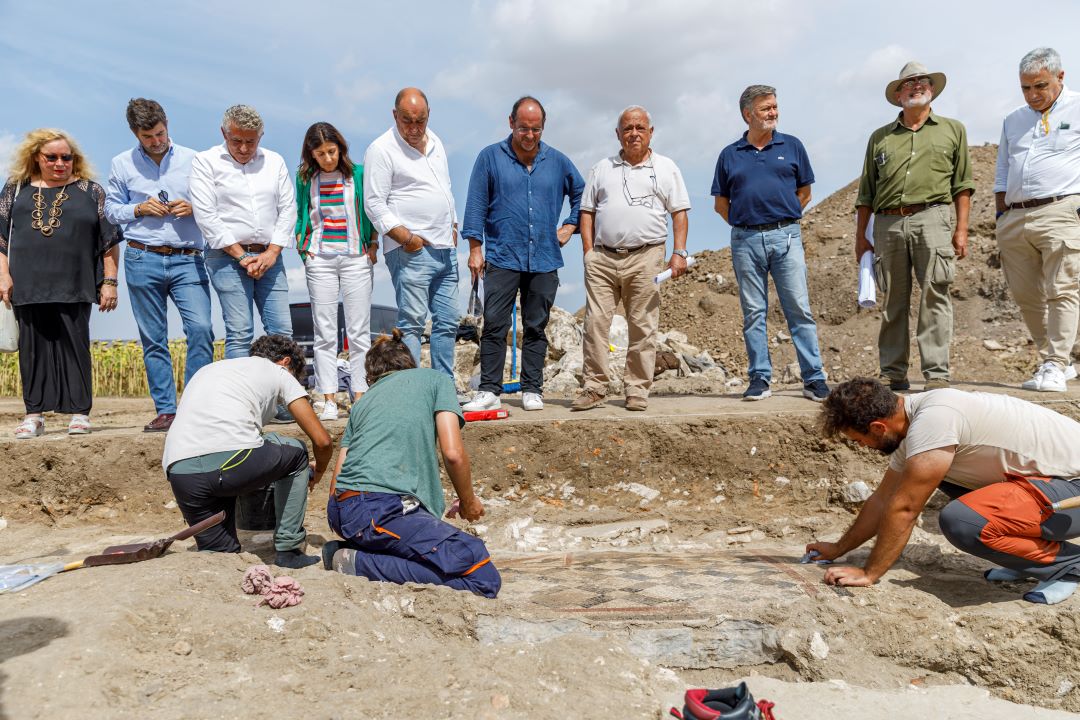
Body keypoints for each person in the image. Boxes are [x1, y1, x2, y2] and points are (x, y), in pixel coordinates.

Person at [810, 377, 1080, 605]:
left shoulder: (934, 421)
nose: (861, 447)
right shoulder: (912, 421)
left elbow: (905, 508)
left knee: (963, 520)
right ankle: (1028, 559)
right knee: (941, 478)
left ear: (878, 427)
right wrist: (837, 548)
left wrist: (869, 573)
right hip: (1051, 484)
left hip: (1073, 490)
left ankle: (1070, 566)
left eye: (860, 440)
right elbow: (883, 499)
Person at [322, 330, 501, 598]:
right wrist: (468, 501)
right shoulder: (435, 380)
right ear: (410, 364)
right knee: (480, 574)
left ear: (371, 378)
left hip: (344, 510)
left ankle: (360, 551)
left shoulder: (362, 403)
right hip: (379, 508)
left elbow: (338, 476)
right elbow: (453, 453)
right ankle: (356, 563)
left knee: (429, 553)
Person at [162, 335, 333, 569]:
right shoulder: (279, 372)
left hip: (181, 473)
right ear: (285, 362)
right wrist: (320, 471)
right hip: (230, 464)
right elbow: (322, 442)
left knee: (224, 558)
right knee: (296, 452)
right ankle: (289, 550)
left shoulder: (211, 369)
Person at [854, 62, 975, 392]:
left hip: (933, 217)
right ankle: (893, 373)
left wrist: (961, 230)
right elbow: (866, 193)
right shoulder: (880, 138)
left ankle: (936, 374)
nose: (916, 86)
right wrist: (860, 239)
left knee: (935, 294)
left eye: (922, 81)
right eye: (908, 83)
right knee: (893, 299)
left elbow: (962, 185)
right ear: (897, 94)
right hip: (888, 223)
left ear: (932, 90)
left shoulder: (953, 130)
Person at [461, 96, 584, 413]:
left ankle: (532, 388)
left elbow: (583, 194)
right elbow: (475, 203)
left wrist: (570, 225)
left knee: (536, 325)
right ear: (511, 123)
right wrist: (475, 248)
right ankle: (489, 390)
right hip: (502, 255)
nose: (529, 135)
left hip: (544, 257)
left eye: (536, 129)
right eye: (523, 128)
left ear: (544, 127)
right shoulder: (489, 158)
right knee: (494, 325)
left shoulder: (558, 162)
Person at [711, 85, 830, 403]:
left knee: (799, 309)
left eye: (775, 107)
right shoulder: (729, 154)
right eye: (766, 108)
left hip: (787, 237)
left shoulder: (792, 146)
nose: (773, 113)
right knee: (753, 312)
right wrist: (746, 225)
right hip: (745, 240)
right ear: (748, 114)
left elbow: (805, 192)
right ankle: (760, 379)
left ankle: (814, 378)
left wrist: (783, 217)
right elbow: (721, 203)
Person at [0, 129, 120, 438]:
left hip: (75, 282)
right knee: (32, 349)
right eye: (51, 157)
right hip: (27, 283)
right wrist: (3, 274)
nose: (59, 163)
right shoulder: (16, 188)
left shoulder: (91, 191)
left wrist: (110, 281)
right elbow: (1, 239)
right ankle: (34, 415)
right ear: (36, 158)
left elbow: (109, 241)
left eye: (66, 157)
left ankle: (79, 414)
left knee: (74, 346)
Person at [572, 106, 690, 412]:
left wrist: (679, 252)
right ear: (618, 134)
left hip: (646, 256)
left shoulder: (666, 168)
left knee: (642, 325)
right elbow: (587, 212)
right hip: (603, 259)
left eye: (640, 127)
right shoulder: (601, 168)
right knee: (595, 323)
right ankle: (595, 387)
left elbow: (679, 213)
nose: (633, 133)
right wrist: (588, 253)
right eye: (627, 128)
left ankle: (637, 389)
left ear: (651, 132)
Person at [105, 98, 213, 433]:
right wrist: (138, 210)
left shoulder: (195, 160)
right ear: (135, 133)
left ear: (167, 124)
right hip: (142, 257)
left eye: (160, 133)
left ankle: (194, 407)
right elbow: (110, 209)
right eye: (148, 136)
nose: (157, 141)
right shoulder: (121, 164)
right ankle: (166, 410)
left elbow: (215, 203)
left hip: (188, 258)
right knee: (154, 338)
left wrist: (194, 208)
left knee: (201, 329)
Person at [995, 48, 1080, 393]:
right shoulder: (1013, 120)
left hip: (1060, 209)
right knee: (1026, 296)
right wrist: (1001, 215)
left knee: (1062, 289)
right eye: (1026, 88)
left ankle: (1057, 364)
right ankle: (1054, 361)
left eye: (1040, 86)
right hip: (1014, 218)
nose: (1033, 95)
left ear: (1060, 77)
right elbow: (1002, 170)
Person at [363, 88, 459, 379]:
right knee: (413, 322)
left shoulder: (437, 142)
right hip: (411, 250)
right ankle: (412, 388)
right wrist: (407, 238)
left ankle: (444, 386)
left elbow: (445, 187)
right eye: (407, 121)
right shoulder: (381, 149)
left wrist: (453, 225)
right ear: (395, 116)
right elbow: (374, 203)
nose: (415, 128)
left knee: (448, 321)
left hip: (445, 247)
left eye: (421, 121)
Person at [189, 105, 296, 361]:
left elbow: (288, 208)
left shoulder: (274, 161)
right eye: (237, 141)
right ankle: (240, 401)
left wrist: (272, 252)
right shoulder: (205, 162)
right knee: (240, 332)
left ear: (261, 136)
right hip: (226, 258)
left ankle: (282, 401)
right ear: (224, 133)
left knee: (282, 332)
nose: (244, 149)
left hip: (270, 257)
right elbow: (207, 215)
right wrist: (241, 256)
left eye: (251, 141)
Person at [295, 122, 379, 421]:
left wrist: (372, 242)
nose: (327, 158)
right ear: (311, 154)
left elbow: (369, 209)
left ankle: (360, 397)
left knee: (358, 332)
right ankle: (328, 399)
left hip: (356, 257)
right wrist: (304, 248)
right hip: (320, 258)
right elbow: (300, 211)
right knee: (324, 333)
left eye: (331, 151)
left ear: (340, 148)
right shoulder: (305, 178)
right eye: (320, 154)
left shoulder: (357, 174)